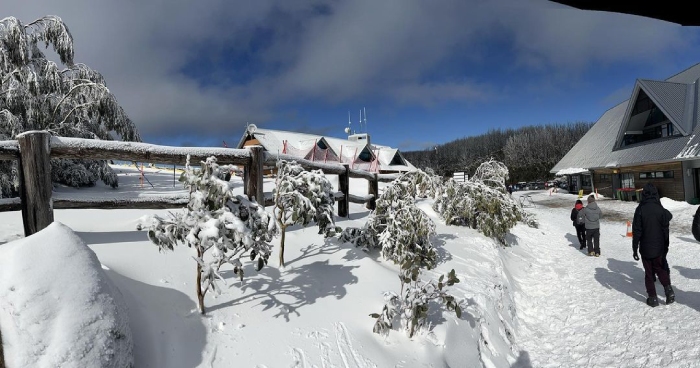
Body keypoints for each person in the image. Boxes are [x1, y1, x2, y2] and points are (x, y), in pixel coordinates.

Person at [632, 183, 674, 307]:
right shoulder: (660, 209)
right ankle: (669, 290)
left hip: (645, 247)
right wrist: (665, 246)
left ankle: (653, 298)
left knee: (649, 273)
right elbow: (665, 228)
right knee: (660, 269)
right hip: (659, 246)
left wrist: (635, 248)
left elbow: (637, 231)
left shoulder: (640, 209)